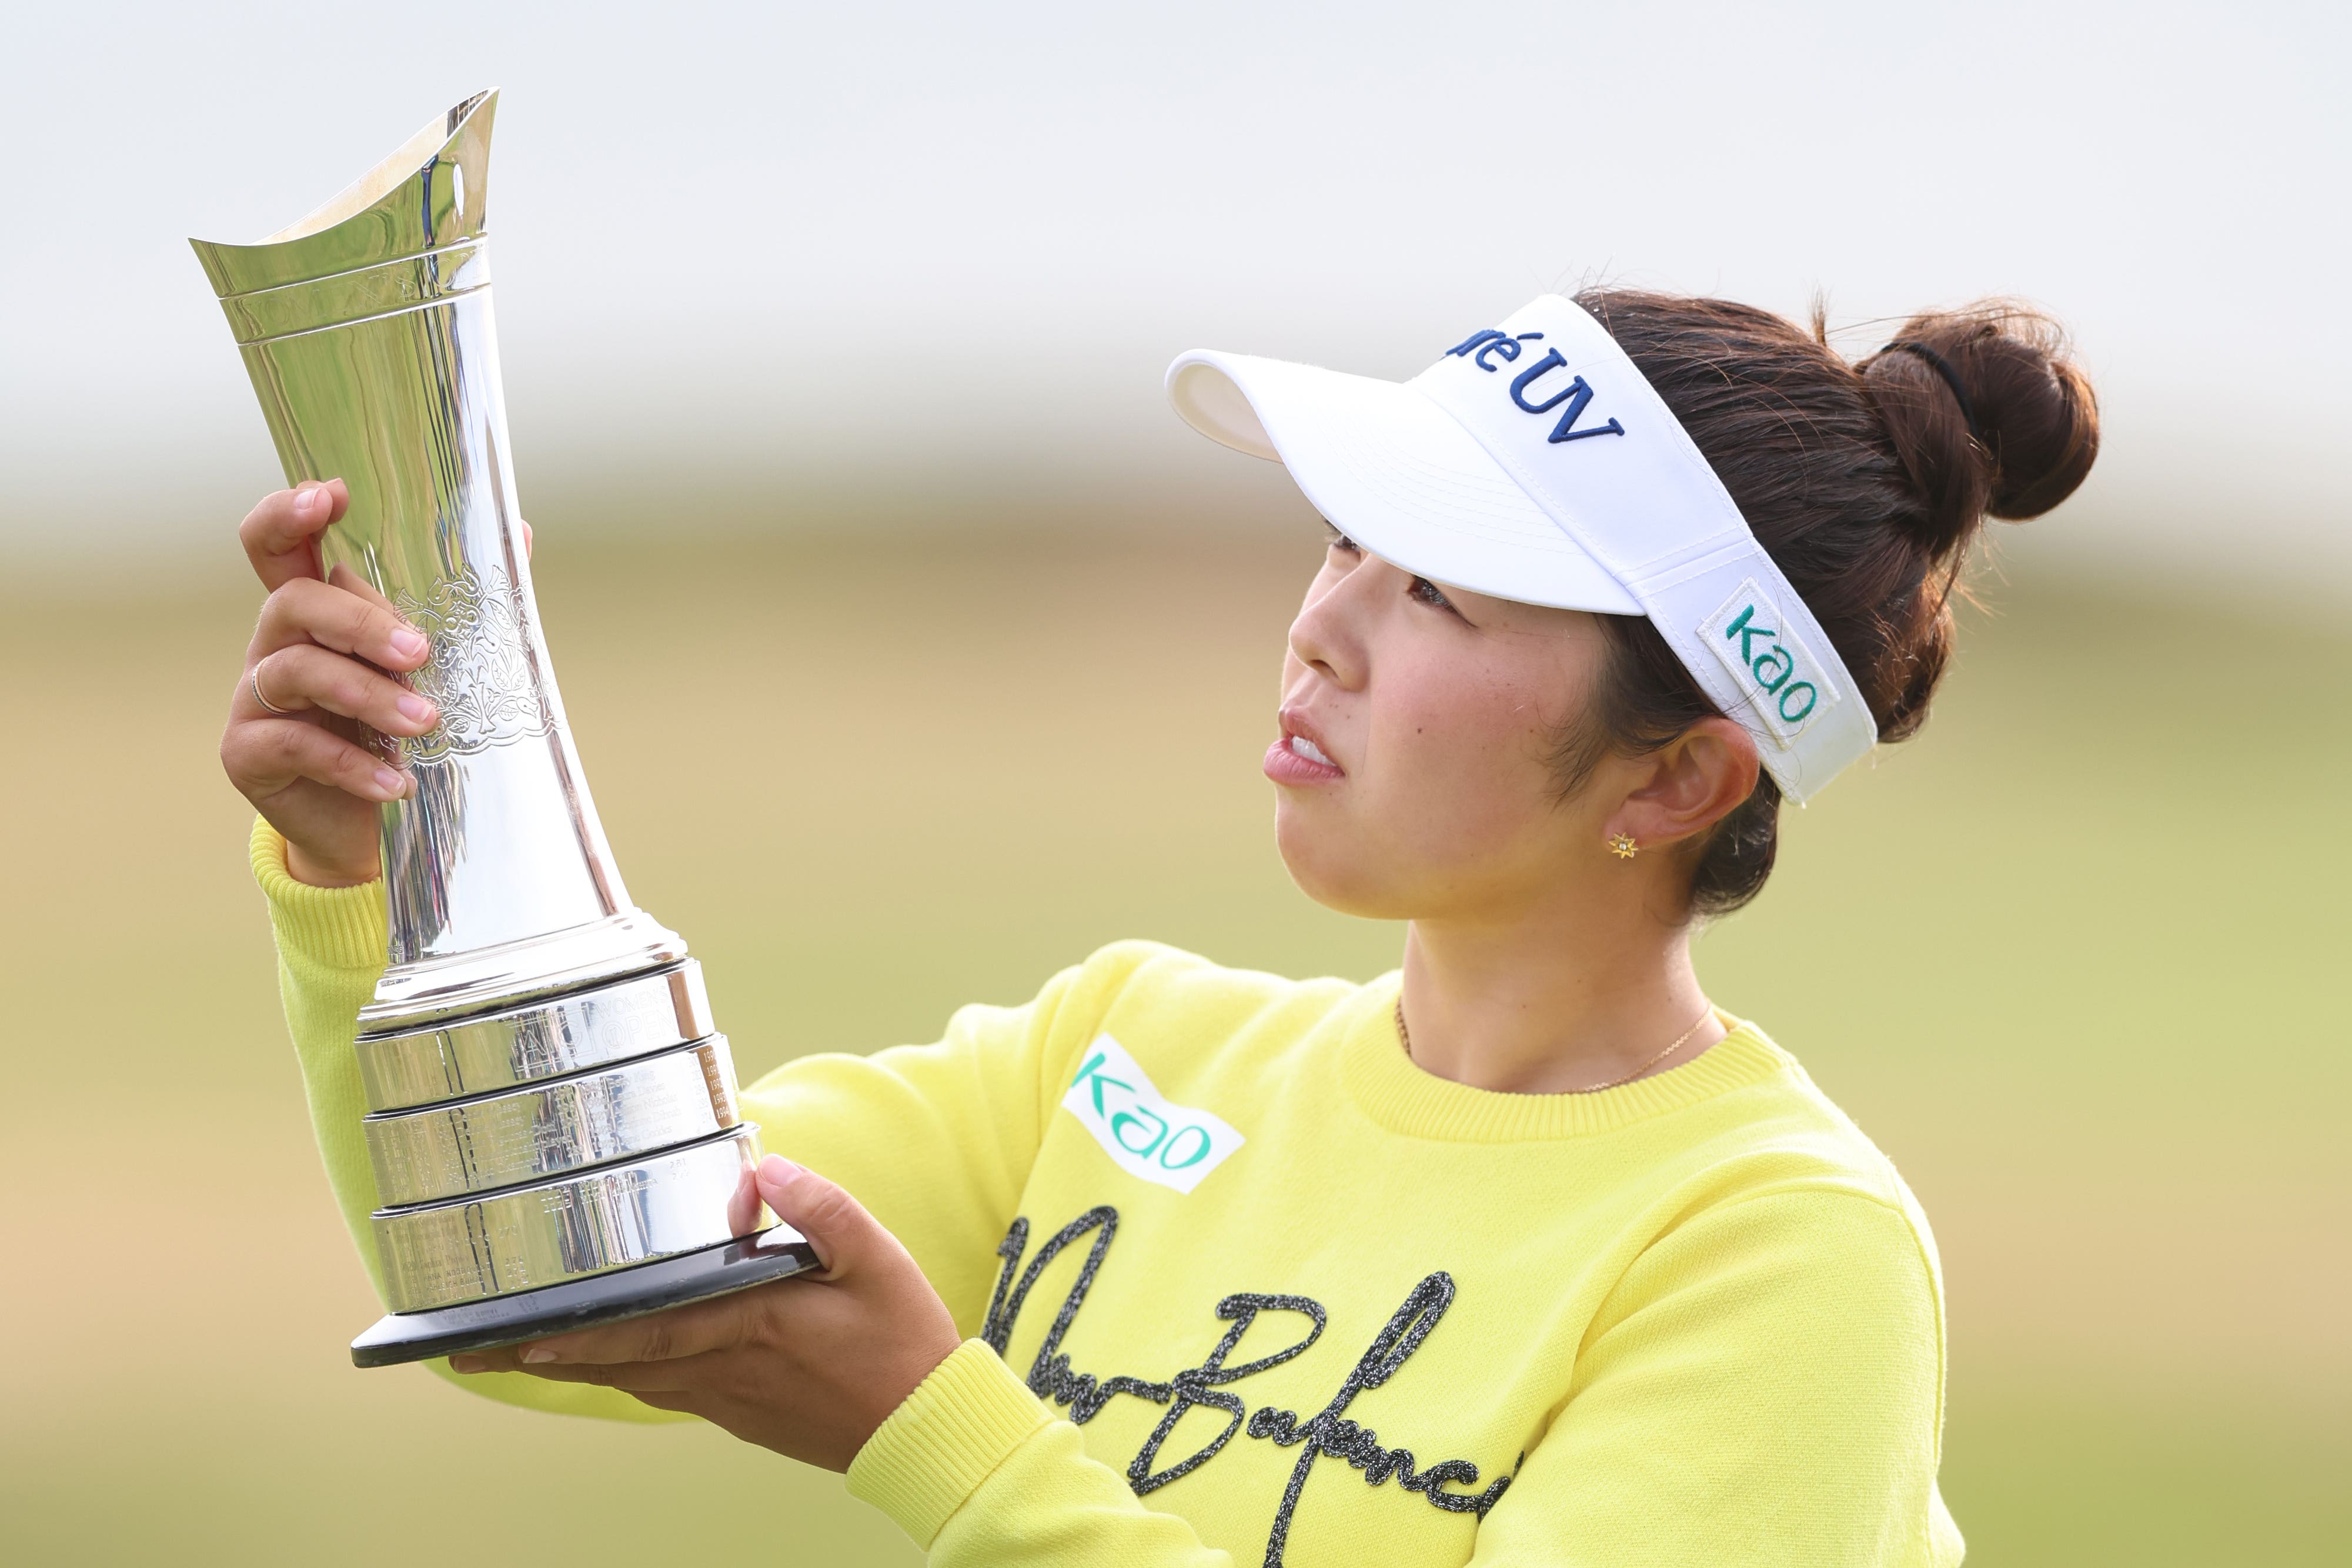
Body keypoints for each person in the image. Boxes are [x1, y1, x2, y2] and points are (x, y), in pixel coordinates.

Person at [222, 287, 2097, 1566]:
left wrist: (935, 1433)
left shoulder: (1783, 1252)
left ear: (1681, 776)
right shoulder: (1116, 1050)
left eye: (1439, 589)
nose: (1325, 624)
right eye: (1343, 538)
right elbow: (533, 1282)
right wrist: (392, 847)